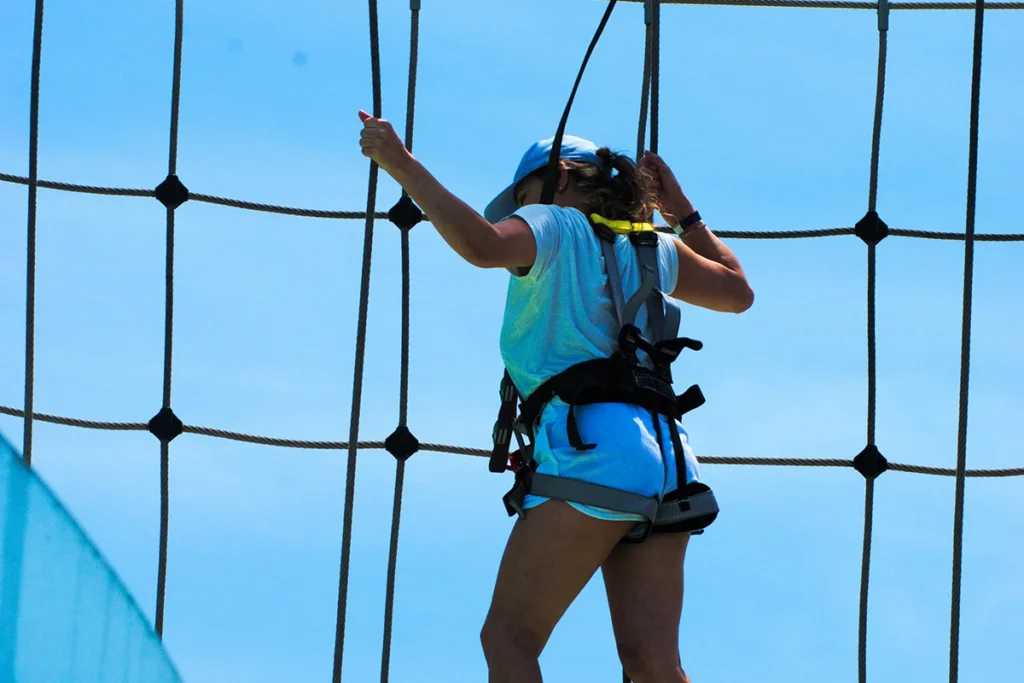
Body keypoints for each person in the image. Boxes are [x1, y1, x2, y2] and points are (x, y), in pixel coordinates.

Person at [357, 110, 753, 683]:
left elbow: (480, 244)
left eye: (522, 193)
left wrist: (400, 164)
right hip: (669, 458)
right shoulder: (651, 246)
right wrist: (682, 213)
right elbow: (737, 292)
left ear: (559, 179)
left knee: (508, 639)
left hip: (594, 447)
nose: (518, 209)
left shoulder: (551, 223)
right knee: (653, 665)